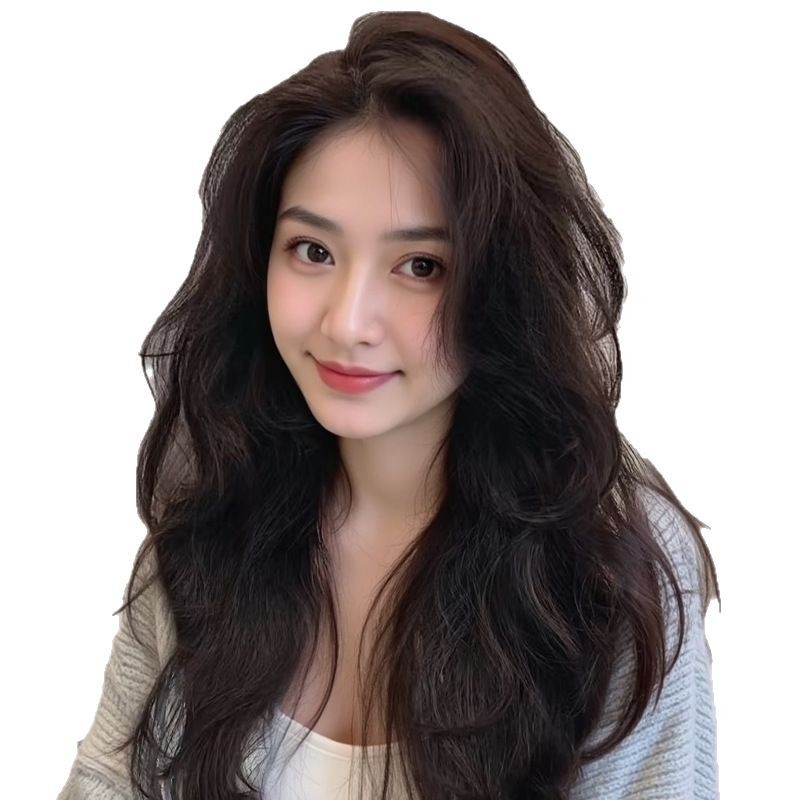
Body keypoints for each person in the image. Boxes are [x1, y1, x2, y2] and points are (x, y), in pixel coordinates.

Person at [58, 10, 720, 800]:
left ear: (503, 286)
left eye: (420, 266)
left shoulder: (609, 569)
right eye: (313, 251)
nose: (347, 323)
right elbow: (105, 782)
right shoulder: (212, 524)